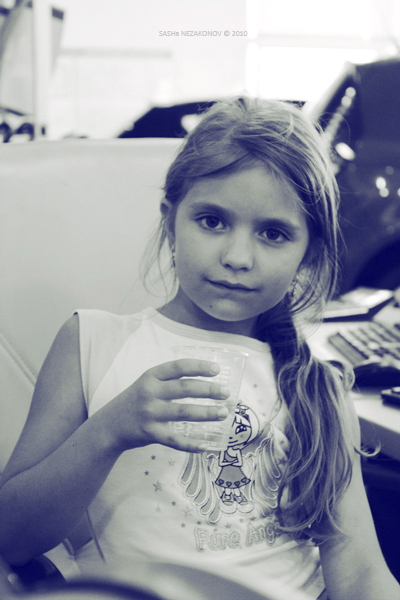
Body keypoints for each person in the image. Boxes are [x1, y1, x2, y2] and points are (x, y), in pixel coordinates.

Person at [0, 97, 399, 600]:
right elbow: (11, 537)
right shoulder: (92, 343)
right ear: (170, 221)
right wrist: (109, 430)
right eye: (212, 221)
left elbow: (360, 573)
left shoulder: (318, 387)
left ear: (308, 253)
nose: (237, 257)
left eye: (273, 233)